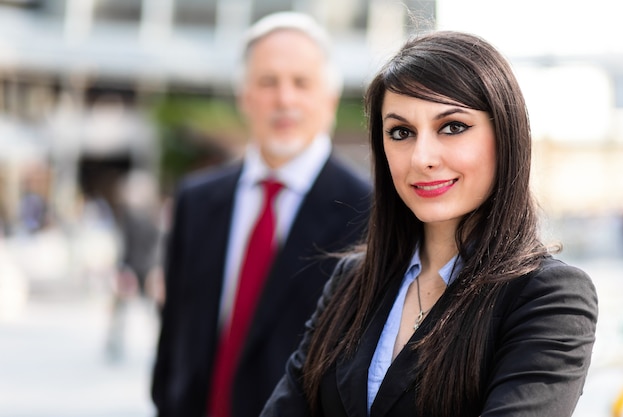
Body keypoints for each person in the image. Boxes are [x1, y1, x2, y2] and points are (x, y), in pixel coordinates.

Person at [260, 30, 598, 417]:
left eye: (452, 126)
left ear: (506, 134)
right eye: (401, 132)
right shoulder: (351, 281)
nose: (422, 157)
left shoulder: (548, 297)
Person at [150, 12, 372, 417]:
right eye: (268, 82)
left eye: (301, 83)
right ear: (244, 96)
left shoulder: (367, 210)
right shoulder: (195, 200)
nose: (284, 99)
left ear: (328, 98)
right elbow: (174, 332)